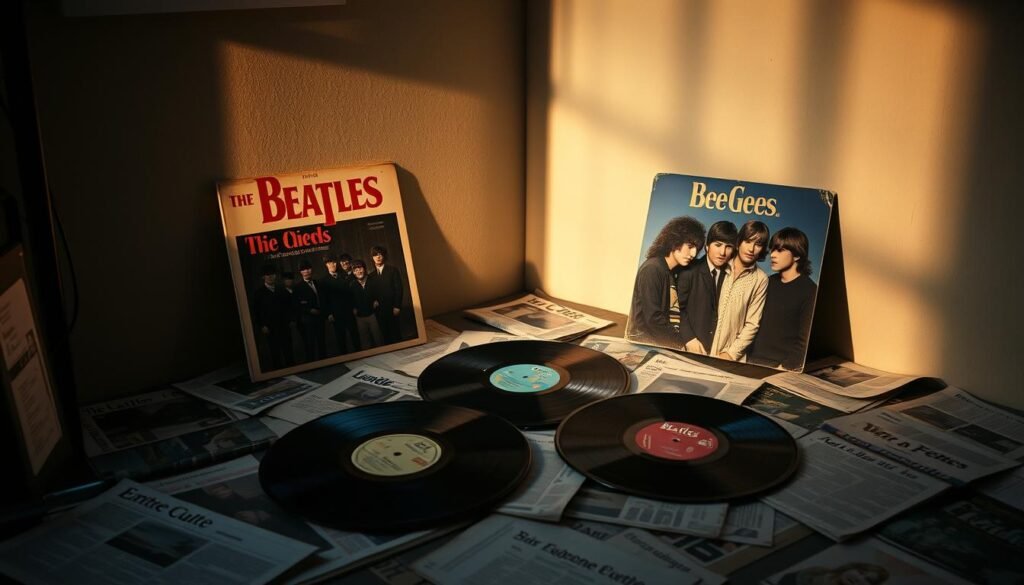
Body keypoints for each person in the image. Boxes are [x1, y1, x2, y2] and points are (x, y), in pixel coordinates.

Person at [625, 216, 705, 347]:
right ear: (675, 241)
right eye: (690, 246)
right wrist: (680, 343)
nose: (693, 253)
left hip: (657, 342)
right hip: (643, 342)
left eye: (696, 248)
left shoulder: (671, 271)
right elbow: (652, 319)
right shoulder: (652, 269)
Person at [748, 227, 818, 370]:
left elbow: (805, 341)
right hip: (749, 360)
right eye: (772, 250)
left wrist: (784, 367)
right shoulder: (767, 282)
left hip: (779, 366)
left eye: (779, 250)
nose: (772, 255)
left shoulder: (810, 291)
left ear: (797, 255)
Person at [708, 219, 769, 361]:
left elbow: (752, 323)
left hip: (729, 356)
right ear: (738, 242)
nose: (751, 249)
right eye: (747, 241)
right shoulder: (721, 263)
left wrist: (731, 354)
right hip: (702, 348)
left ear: (762, 249)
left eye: (758, 244)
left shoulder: (760, 279)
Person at [677, 220, 738, 355]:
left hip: (719, 352)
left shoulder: (732, 275)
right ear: (707, 246)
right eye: (717, 245)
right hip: (690, 347)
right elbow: (678, 309)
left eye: (728, 247)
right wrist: (689, 338)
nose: (723, 252)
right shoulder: (688, 271)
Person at [250, 264, 293, 369]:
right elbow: (256, 312)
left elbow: (289, 307)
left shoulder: (282, 290)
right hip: (270, 328)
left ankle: (292, 368)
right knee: (275, 352)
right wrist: (262, 325)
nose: (270, 277)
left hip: (284, 326)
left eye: (272, 274)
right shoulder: (258, 293)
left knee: (288, 350)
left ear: (275, 276)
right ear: (263, 277)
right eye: (267, 275)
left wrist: (290, 320)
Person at [320, 253, 360, 355]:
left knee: (355, 336)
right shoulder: (323, 281)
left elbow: (351, 294)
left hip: (349, 311)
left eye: (334, 262)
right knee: (340, 338)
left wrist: (354, 307)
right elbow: (323, 300)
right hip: (336, 314)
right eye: (330, 263)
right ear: (326, 265)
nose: (332, 265)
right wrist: (328, 314)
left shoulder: (344, 275)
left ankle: (360, 355)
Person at [366, 245, 405, 344]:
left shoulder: (392, 270)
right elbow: (370, 292)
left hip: (392, 308)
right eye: (375, 255)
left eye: (380, 254)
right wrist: (373, 300)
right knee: (385, 335)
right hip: (379, 310)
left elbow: (399, 289)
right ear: (372, 258)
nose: (378, 257)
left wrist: (397, 306)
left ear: (384, 256)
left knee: (396, 334)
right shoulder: (371, 275)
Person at [294, 259, 326, 361]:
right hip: (308, 321)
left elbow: (323, 299)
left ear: (311, 270)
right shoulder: (298, 287)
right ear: (300, 272)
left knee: (322, 342)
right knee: (310, 344)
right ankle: (312, 364)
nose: (306, 271)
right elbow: (297, 305)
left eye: (308, 269)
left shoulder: (317, 283)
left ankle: (324, 363)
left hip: (320, 319)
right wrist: (309, 310)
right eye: (304, 270)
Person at [349, 259, 384, 348]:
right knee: (365, 342)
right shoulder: (352, 285)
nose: (359, 271)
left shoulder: (373, 281)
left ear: (364, 269)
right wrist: (353, 308)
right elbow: (350, 300)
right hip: (360, 317)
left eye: (360, 268)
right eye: (356, 270)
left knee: (378, 339)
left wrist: (377, 300)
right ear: (353, 272)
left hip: (373, 315)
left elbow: (381, 294)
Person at [776, 562, 889, 585]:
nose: (859, 578)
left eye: (868, 580)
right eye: (860, 572)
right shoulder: (815, 572)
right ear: (851, 568)